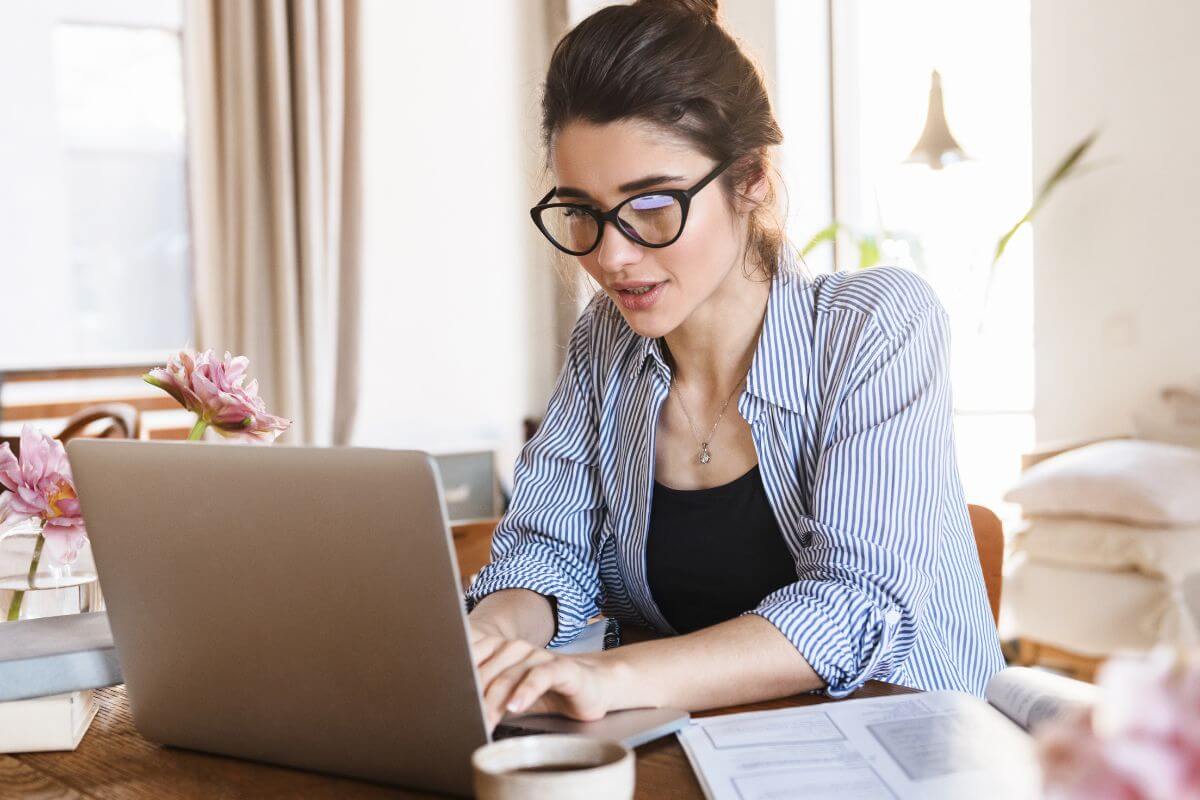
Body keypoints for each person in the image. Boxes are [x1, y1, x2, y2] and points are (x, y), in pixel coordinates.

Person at [464, 0, 1005, 731]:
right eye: (582, 211)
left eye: (652, 204)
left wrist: (609, 675)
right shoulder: (605, 342)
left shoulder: (874, 326)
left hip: (906, 748)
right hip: (704, 753)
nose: (611, 256)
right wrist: (487, 641)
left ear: (750, 179)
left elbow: (853, 607)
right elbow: (544, 553)